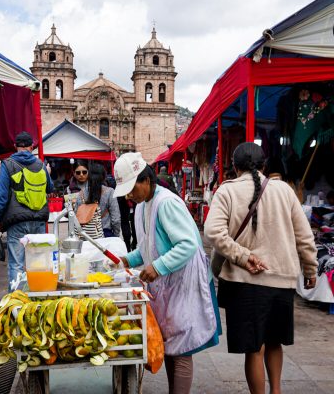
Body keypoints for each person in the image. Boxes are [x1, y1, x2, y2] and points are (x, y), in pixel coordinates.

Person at [204, 142, 318, 394]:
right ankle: (276, 391)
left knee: (254, 348)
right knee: (275, 341)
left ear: (234, 167)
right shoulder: (284, 191)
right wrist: (310, 269)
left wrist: (242, 257)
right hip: (280, 282)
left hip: (244, 284)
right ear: (264, 165)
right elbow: (304, 235)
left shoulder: (227, 191)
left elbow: (213, 232)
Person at [112, 152, 220, 394]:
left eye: (132, 189)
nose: (129, 195)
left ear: (146, 181)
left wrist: (158, 267)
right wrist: (126, 260)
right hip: (169, 283)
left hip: (185, 281)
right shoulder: (142, 206)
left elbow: (187, 244)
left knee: (181, 346)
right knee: (171, 344)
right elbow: (148, 247)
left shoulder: (167, 203)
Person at [0, 132, 54, 291]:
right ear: (32, 147)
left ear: (15, 146)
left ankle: (16, 301)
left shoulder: (8, 164)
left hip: (17, 220)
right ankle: (39, 295)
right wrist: (48, 172)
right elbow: (50, 188)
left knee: (16, 264)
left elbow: (1, 194)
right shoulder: (41, 164)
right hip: (39, 219)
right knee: (38, 261)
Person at [75, 163, 121, 239]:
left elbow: (75, 218)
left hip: (86, 236)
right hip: (106, 235)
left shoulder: (80, 194)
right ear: (104, 177)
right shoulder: (110, 192)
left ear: (88, 177)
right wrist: (116, 236)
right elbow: (115, 219)